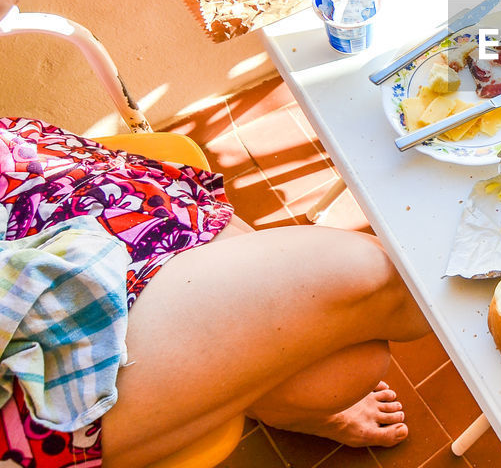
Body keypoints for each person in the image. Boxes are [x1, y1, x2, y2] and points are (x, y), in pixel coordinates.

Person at [0, 117, 432, 467]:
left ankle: (263, 399)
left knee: (344, 366)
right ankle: (279, 406)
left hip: (22, 191)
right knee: (376, 299)